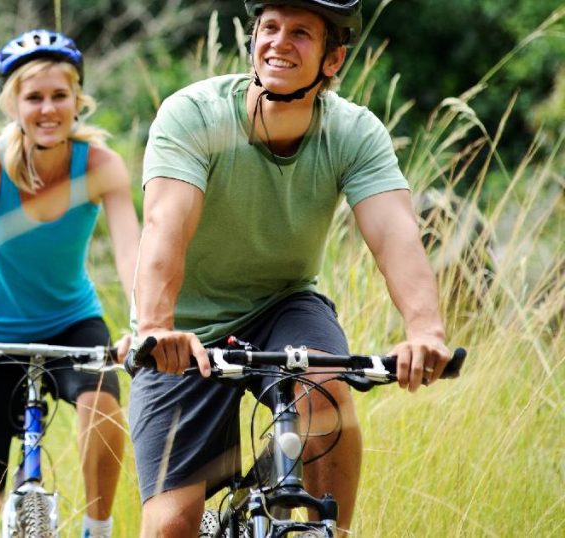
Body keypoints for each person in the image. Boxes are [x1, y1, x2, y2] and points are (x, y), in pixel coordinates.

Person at [126, 1, 453, 536]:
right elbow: (166, 225)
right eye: (269, 28)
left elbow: (396, 234)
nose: (279, 42)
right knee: (171, 526)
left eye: (301, 33)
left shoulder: (353, 132)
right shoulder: (195, 114)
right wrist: (157, 327)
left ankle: (330, 532)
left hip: (283, 303)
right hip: (184, 327)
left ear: (333, 59)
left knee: (327, 378)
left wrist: (425, 331)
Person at [0, 29, 139, 538]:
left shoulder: (101, 166)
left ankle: (98, 528)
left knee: (102, 407)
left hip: (71, 324)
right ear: (12, 103)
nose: (47, 109)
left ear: (77, 100)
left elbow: (133, 251)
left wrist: (142, 325)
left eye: (59, 95)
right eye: (33, 97)